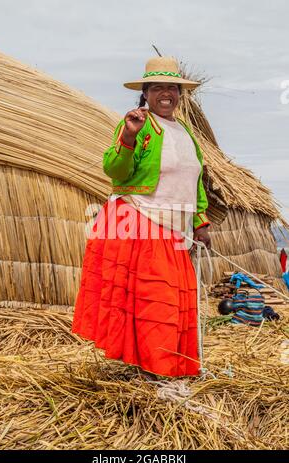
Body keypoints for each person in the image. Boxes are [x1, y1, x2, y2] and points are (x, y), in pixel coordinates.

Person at [72, 56, 211, 378]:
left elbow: (195, 182)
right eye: (157, 88)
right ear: (145, 93)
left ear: (180, 94)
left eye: (172, 88)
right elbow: (115, 170)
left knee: (171, 299)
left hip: (175, 227)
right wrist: (129, 138)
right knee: (156, 298)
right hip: (139, 220)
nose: (166, 94)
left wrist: (200, 221)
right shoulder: (137, 124)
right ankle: (159, 370)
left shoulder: (185, 133)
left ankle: (165, 363)